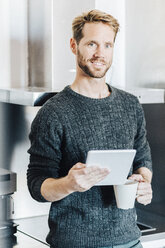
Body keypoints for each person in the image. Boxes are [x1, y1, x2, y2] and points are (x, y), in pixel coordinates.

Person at [27, 9, 153, 248]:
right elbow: (36, 184)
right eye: (91, 44)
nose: (100, 54)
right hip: (74, 243)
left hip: (130, 240)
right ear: (74, 45)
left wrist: (143, 182)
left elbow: (143, 159)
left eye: (107, 45)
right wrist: (69, 184)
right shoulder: (53, 112)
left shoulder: (130, 105)